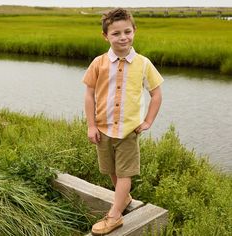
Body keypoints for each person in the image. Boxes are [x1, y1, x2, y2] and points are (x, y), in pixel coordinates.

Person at [83, 8, 164, 235]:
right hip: (103, 129)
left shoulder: (144, 64)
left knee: (125, 173)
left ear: (134, 31)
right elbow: (89, 95)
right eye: (116, 33)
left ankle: (114, 216)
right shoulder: (99, 63)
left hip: (128, 131)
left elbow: (156, 95)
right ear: (106, 36)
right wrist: (91, 125)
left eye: (127, 31)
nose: (123, 37)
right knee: (111, 169)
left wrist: (148, 121)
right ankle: (124, 198)